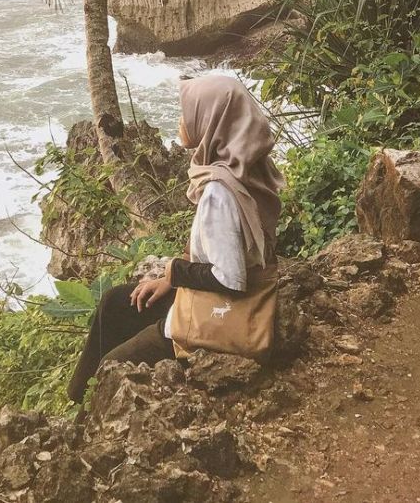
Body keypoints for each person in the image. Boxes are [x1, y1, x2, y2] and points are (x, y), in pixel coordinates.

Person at [67, 73, 283, 404]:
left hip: (218, 315)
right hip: (215, 295)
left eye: (188, 113)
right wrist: (171, 280)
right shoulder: (245, 167)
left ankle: (84, 417)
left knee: (112, 367)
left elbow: (231, 278)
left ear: (211, 121)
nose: (182, 121)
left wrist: (174, 273)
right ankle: (76, 400)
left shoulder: (219, 192)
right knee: (116, 303)